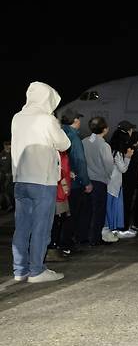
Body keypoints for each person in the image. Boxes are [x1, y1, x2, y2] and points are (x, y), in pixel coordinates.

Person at [11, 82, 71, 283]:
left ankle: (20, 270)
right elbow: (64, 143)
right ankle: (37, 270)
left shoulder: (17, 118)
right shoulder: (47, 119)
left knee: (21, 227)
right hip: (42, 181)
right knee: (41, 227)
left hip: (20, 180)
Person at [59, 108, 93, 249]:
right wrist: (86, 182)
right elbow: (80, 161)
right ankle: (68, 243)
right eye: (78, 119)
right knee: (75, 215)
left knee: (64, 215)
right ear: (75, 121)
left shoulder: (60, 134)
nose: (80, 121)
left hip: (62, 182)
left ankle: (62, 242)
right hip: (75, 183)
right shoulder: (74, 138)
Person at [83, 116, 115, 246]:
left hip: (86, 181)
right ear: (105, 129)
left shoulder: (84, 141)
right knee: (99, 212)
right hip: (99, 181)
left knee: (87, 211)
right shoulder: (103, 145)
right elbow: (108, 165)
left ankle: (84, 236)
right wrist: (109, 177)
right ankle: (95, 238)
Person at [0, 140, 14, 211]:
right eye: (6, 145)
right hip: (3, 175)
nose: (7, 146)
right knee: (3, 190)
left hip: (11, 175)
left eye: (8, 145)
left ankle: (10, 205)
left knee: (7, 190)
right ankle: (5, 205)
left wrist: (11, 173)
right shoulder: (2, 154)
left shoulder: (13, 153)